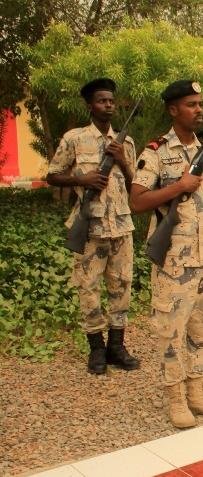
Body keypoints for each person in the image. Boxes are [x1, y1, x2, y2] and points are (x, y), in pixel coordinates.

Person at [130, 80, 203, 428]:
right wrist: (177, 186)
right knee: (171, 331)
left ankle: (197, 393)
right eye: (191, 104)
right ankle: (175, 399)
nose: (199, 109)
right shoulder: (156, 152)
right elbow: (137, 201)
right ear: (174, 110)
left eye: (200, 104)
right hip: (173, 258)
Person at [46, 78, 140, 375]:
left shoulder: (126, 142)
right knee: (88, 288)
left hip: (122, 226)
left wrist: (122, 159)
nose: (108, 105)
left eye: (111, 101)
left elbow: (137, 180)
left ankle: (117, 346)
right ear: (90, 106)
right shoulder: (74, 139)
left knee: (122, 286)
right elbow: (53, 175)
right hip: (89, 226)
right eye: (102, 101)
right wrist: (81, 180)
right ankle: (96, 349)